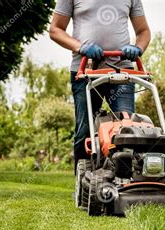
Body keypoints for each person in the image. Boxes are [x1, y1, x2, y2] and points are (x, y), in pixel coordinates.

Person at [49, 0, 151, 171]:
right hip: (85, 71)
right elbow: (55, 30)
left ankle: (125, 183)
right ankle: (83, 184)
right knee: (85, 131)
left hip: (122, 72)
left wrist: (138, 48)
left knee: (126, 129)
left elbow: (143, 31)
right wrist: (80, 46)